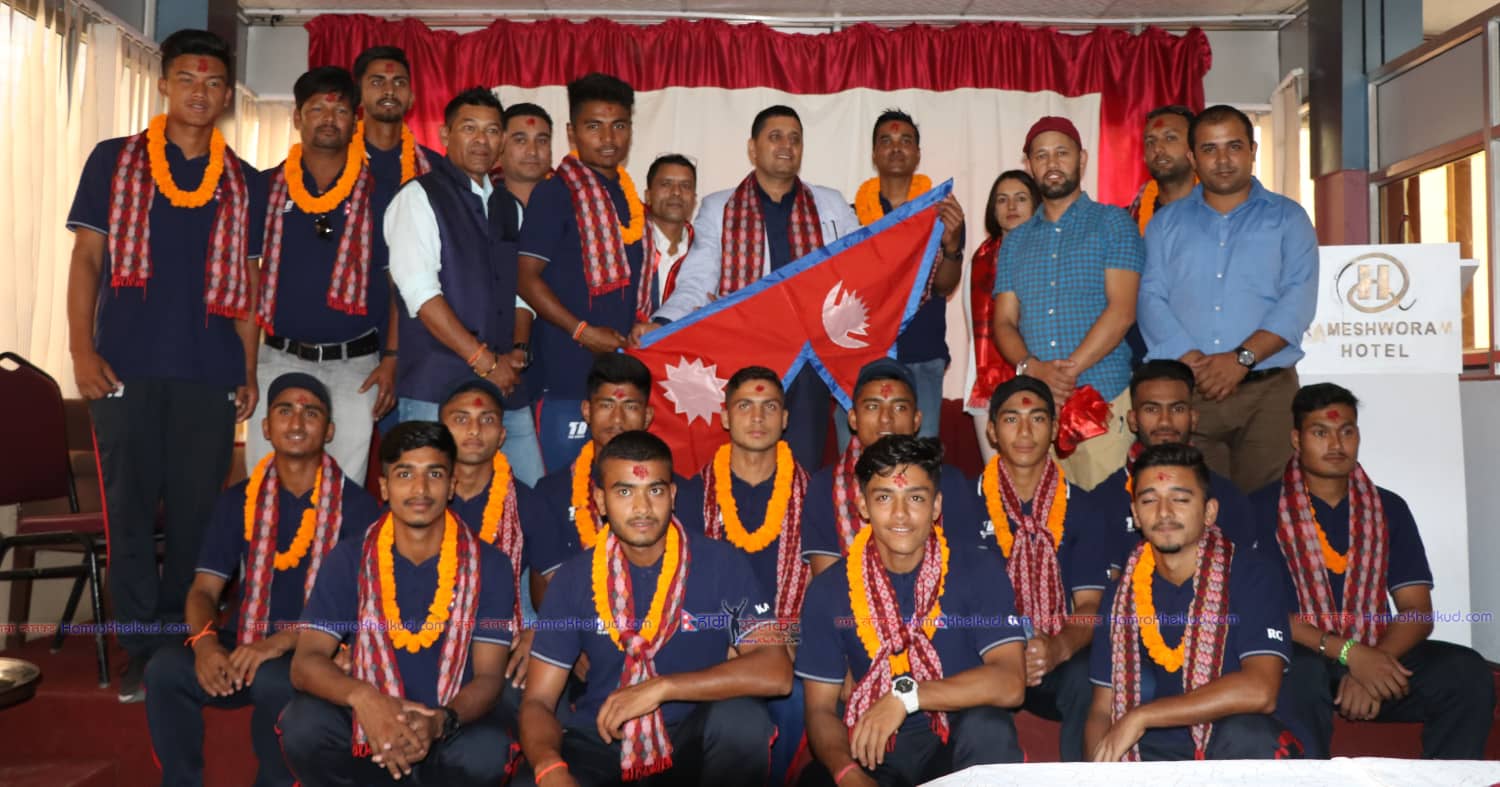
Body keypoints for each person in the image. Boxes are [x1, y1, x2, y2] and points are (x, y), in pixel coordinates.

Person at [66, 28, 264, 701]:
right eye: (187, 78)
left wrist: (248, 369)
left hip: (208, 373)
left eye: (213, 82)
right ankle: (139, 649)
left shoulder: (243, 180)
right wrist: (81, 349)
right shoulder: (114, 160)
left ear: (227, 94)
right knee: (127, 516)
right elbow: (87, 259)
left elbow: (248, 287)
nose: (199, 92)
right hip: (122, 368)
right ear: (163, 83)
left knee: (195, 519)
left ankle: (183, 646)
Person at [518, 430, 791, 786]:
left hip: (691, 737)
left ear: (673, 496)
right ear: (600, 500)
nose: (642, 508)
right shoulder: (573, 577)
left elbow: (776, 671)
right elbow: (538, 701)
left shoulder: (723, 563)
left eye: (655, 491)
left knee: (743, 719)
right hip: (603, 741)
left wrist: (661, 688)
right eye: (625, 492)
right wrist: (549, 767)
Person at [145, 373, 378, 787]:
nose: (297, 422)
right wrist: (206, 645)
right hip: (245, 643)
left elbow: (360, 609)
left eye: (311, 413)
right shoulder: (239, 500)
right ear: (266, 427)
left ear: (329, 431)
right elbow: (203, 590)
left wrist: (279, 644)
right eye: (285, 411)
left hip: (318, 651)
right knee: (166, 669)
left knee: (274, 678)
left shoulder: (360, 509)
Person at [1251, 383, 1495, 759]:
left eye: (1347, 431)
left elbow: (1416, 609)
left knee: (1466, 673)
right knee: (1300, 675)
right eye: (1321, 432)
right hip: (1304, 656)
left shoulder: (1387, 507)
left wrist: (1374, 663)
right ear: (1296, 439)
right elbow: (1267, 614)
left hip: (1376, 648)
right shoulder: (1259, 509)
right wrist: (1352, 655)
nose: (1336, 444)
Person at [280, 421, 517, 786]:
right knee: (304, 724)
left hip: (446, 726)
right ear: (384, 487)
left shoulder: (492, 565)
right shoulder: (349, 557)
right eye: (405, 474)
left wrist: (439, 722)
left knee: (487, 751)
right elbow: (305, 663)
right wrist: (366, 699)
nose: (420, 489)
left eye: (434, 474)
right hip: (367, 727)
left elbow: (488, 677)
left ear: (452, 485)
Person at [797, 435, 1027, 785]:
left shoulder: (978, 569)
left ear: (936, 506)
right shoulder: (829, 589)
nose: (901, 514)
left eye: (915, 498)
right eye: (884, 497)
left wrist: (907, 696)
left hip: (954, 742)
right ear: (863, 506)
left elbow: (1011, 683)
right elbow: (820, 710)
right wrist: (848, 773)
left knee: (990, 729)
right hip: (872, 748)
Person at [648, 105, 860, 469]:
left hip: (808, 361)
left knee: (802, 464)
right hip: (743, 355)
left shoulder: (831, 204)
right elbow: (698, 277)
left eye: (795, 139)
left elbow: (861, 269)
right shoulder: (720, 207)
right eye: (775, 137)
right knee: (745, 464)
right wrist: (663, 323)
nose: (786, 146)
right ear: (753, 148)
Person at [1138, 104, 1318, 494]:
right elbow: (1150, 297)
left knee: (1269, 508)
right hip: (1192, 390)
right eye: (1209, 149)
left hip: (1267, 390)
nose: (1222, 160)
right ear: (1193, 157)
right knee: (1195, 507)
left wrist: (1241, 359)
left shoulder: (1289, 218)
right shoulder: (1165, 224)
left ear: (1253, 151)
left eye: (1233, 146)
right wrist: (1190, 360)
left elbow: (1298, 299)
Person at [1085, 443, 1298, 761]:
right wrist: (1096, 771)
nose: (1164, 512)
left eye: (1180, 499)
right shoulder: (1120, 595)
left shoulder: (1251, 574)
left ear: (1210, 512)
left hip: (1232, 749)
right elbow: (1102, 709)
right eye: (1149, 500)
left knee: (1248, 734)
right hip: (1151, 754)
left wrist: (1142, 716)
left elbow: (1260, 689)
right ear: (1136, 515)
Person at [386, 87, 545, 484]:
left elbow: (520, 289)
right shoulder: (418, 197)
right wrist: (484, 361)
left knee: (528, 490)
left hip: (504, 384)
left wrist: (518, 349)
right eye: (469, 128)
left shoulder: (508, 205)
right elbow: (421, 294)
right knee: (427, 498)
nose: (481, 140)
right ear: (445, 134)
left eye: (491, 131)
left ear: (501, 140)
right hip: (435, 384)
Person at [245, 66, 396, 484]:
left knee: (343, 489)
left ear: (355, 120)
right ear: (297, 117)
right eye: (317, 109)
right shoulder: (264, 189)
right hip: (277, 359)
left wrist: (392, 360)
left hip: (356, 367)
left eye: (340, 110)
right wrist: (247, 368)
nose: (329, 119)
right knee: (268, 484)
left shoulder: (383, 194)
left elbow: (398, 288)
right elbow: (249, 282)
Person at [991, 116, 1143, 491]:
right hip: (1037, 414)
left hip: (1102, 401)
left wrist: (1064, 373)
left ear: (1082, 158)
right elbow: (1004, 322)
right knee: (1043, 517)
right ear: (1029, 165)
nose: (1052, 163)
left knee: (1106, 517)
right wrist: (1032, 368)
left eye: (1062, 153)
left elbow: (1122, 311)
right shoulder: (1014, 242)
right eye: (1041, 155)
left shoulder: (1113, 223)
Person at [673, 365, 809, 783]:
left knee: (795, 696)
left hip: (793, 646)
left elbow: (827, 589)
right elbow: (678, 589)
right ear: (726, 417)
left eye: (770, 407)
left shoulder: (814, 494)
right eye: (745, 406)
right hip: (713, 646)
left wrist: (780, 643)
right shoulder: (691, 494)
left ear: (785, 419)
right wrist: (726, 646)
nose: (757, 417)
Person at [971, 376, 1109, 761]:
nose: (1025, 431)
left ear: (1054, 428)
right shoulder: (962, 502)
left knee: (1087, 674)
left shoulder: (1084, 507)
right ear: (992, 430)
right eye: (1011, 419)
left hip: (1053, 653)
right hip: (985, 655)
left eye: (1037, 419)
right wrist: (1004, 648)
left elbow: (1090, 605)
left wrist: (1057, 647)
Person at [518, 73, 647, 472]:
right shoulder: (555, 193)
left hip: (618, 379)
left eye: (619, 125)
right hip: (565, 375)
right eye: (594, 126)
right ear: (573, 133)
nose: (608, 138)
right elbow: (525, 277)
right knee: (565, 490)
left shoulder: (627, 198)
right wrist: (582, 332)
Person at [845, 109, 967, 445]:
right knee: (857, 461)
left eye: (905, 141)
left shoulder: (942, 213)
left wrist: (952, 246)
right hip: (861, 355)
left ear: (917, 153)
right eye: (886, 141)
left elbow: (944, 286)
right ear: (874, 154)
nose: (896, 147)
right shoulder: (852, 217)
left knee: (919, 459)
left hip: (921, 351)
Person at [437, 377, 559, 703]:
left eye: (487, 420)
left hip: (502, 644)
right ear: (440, 432)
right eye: (461, 419)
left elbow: (561, 585)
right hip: (424, 642)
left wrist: (541, 630)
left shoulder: (528, 502)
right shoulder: (417, 499)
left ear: (502, 435)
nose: (474, 430)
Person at [1083, 359, 1258, 578]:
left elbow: (1247, 578)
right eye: (1151, 409)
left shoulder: (1228, 497)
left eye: (1177, 409)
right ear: (1133, 420)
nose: (1165, 422)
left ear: (1193, 418)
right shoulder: (1101, 502)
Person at [801, 359, 977, 575]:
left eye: (899, 407)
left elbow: (967, 569)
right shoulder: (825, 485)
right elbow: (827, 580)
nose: (886, 419)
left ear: (916, 420)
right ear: (853, 418)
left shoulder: (949, 481)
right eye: (873, 407)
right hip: (850, 596)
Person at [528, 353, 654, 603]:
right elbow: (544, 595)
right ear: (587, 411)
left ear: (647, 416)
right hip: (576, 623)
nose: (617, 419)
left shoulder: (670, 490)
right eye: (606, 405)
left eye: (630, 406)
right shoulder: (550, 492)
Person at [966, 170, 1040, 462]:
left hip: (1042, 377)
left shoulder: (1050, 255)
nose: (1011, 207)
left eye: (1021, 199)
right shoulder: (980, 260)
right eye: (1002, 200)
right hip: (986, 384)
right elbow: (974, 330)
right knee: (996, 476)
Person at [352, 46, 437, 190]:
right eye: (377, 82)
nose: (390, 91)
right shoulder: (336, 159)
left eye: (399, 83)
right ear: (358, 96)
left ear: (411, 98)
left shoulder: (434, 166)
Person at [633, 154, 699, 332]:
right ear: (648, 196)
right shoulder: (628, 244)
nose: (676, 192)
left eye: (685, 186)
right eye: (666, 184)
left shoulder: (705, 252)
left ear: (694, 199)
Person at [1127, 105, 1197, 235]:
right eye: (1150, 141)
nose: (1157, 148)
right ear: (1144, 157)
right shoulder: (1126, 221)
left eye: (1170, 138)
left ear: (1194, 148)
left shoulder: (1220, 210)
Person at [497, 102, 554, 208]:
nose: (532, 151)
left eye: (542, 141)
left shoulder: (572, 203)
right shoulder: (482, 206)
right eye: (520, 140)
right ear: (500, 147)